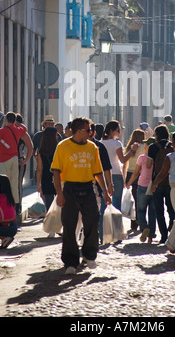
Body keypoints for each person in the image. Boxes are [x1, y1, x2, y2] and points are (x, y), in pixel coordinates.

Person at [51, 117, 111, 275]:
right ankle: (70, 262)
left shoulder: (93, 147)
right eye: (88, 130)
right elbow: (56, 171)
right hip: (70, 188)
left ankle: (89, 255)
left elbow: (98, 172)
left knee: (92, 221)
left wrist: (105, 191)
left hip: (88, 187)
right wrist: (59, 193)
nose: (91, 133)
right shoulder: (63, 146)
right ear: (79, 131)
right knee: (69, 225)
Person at [0, 112, 27, 213]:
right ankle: (15, 205)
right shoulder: (18, 130)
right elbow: (25, 128)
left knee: (3, 182)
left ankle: (3, 205)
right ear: (15, 121)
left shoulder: (1, 131)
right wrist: (17, 123)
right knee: (14, 182)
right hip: (14, 158)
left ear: (6, 120)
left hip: (4, 159)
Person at [101, 120, 139, 212]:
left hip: (103, 175)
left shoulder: (100, 143)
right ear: (111, 131)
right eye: (118, 130)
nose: (119, 132)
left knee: (103, 204)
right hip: (116, 174)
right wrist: (132, 150)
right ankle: (116, 225)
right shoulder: (116, 143)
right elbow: (123, 160)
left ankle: (102, 226)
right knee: (116, 203)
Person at [146, 125, 174, 243]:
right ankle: (172, 226)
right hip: (171, 181)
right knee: (171, 208)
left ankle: (163, 236)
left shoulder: (153, 147)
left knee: (159, 210)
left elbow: (148, 165)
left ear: (156, 135)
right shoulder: (172, 146)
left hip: (157, 181)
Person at [88, 122, 113, 244]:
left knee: (97, 214)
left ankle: (98, 237)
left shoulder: (99, 147)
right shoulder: (72, 146)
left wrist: (109, 184)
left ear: (93, 132)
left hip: (97, 186)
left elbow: (106, 168)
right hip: (77, 185)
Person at [126, 141, 155, 243]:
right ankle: (151, 237)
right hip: (154, 187)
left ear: (147, 147)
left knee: (141, 210)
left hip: (142, 186)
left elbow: (136, 173)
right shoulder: (158, 158)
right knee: (152, 212)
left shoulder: (142, 158)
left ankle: (144, 227)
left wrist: (128, 183)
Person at [123, 129, 145, 230]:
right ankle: (140, 220)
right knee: (140, 198)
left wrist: (124, 178)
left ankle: (133, 222)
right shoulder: (144, 147)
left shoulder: (129, 147)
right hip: (140, 173)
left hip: (129, 173)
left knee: (133, 199)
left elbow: (125, 163)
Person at [36, 126, 58, 214]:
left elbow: (39, 169)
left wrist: (38, 184)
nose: (57, 136)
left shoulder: (41, 151)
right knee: (60, 206)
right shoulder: (59, 149)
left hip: (46, 179)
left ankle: (51, 225)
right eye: (56, 135)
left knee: (49, 208)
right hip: (58, 179)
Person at [15, 114, 33, 215]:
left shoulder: (23, 133)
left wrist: (25, 160)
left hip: (19, 161)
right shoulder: (9, 131)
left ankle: (18, 206)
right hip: (10, 161)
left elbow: (30, 147)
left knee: (18, 185)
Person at [0, 174, 17, 249]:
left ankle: (5, 237)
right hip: (13, 226)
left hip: (6, 227)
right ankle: (6, 238)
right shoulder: (9, 197)